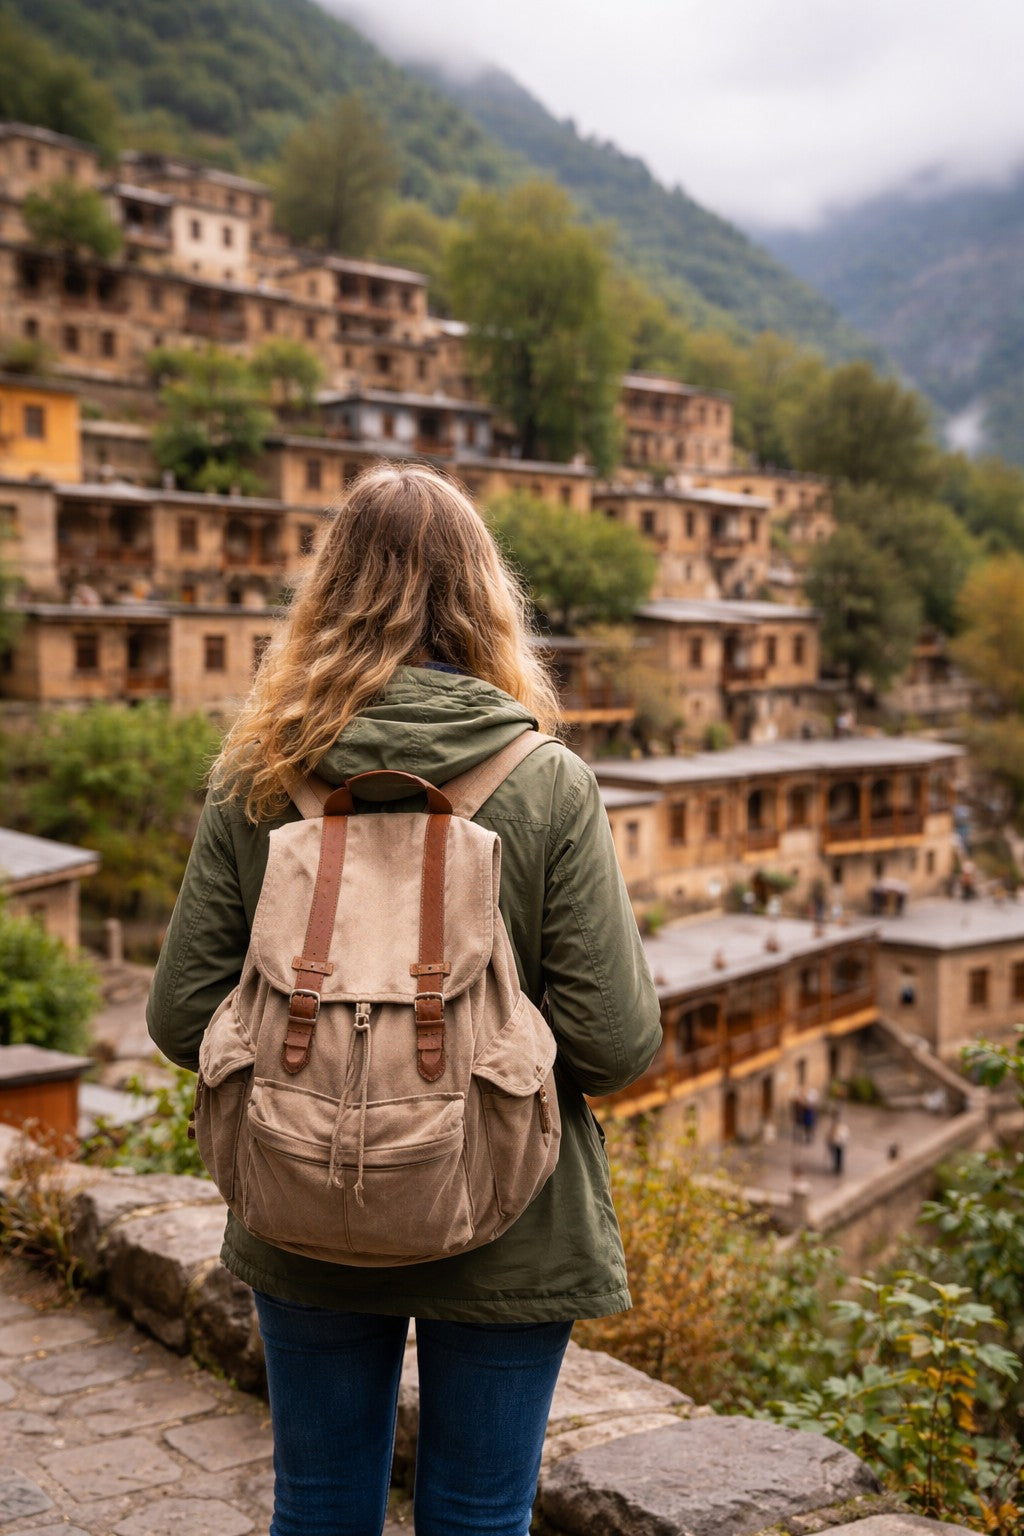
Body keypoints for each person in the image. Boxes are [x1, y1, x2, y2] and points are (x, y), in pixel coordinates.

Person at [147, 463, 663, 1536]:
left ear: (325, 594)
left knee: (321, 1508)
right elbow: (614, 1042)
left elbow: (178, 1013)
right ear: (485, 597)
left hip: (302, 1188)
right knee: (480, 1515)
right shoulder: (544, 779)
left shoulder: (260, 775)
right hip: (510, 1211)